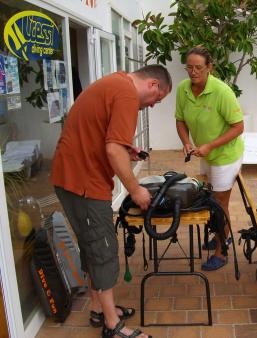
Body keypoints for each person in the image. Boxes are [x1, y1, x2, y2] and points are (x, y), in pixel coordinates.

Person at [51, 65, 171, 338]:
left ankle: (98, 308)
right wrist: (135, 188)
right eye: (157, 99)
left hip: (70, 176)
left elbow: (105, 137)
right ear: (153, 84)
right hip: (84, 182)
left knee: (92, 246)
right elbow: (112, 149)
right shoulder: (127, 95)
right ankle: (111, 326)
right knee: (103, 248)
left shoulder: (116, 83)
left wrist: (129, 150)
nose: (152, 106)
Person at [175, 46, 244, 271]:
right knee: (212, 200)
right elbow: (180, 120)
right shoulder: (183, 89)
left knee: (218, 204)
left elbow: (238, 126)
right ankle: (221, 236)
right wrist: (186, 142)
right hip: (205, 153)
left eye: (198, 67)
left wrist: (210, 145)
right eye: (189, 67)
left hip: (225, 155)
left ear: (209, 68)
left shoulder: (222, 91)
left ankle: (222, 252)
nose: (193, 72)